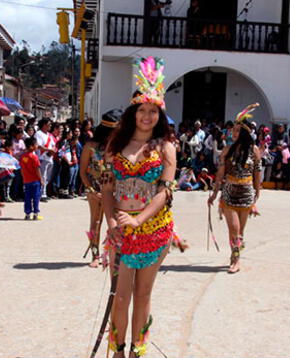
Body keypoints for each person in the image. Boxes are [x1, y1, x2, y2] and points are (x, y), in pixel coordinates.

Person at [102, 57, 179, 357]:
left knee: (142, 294)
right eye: (142, 110)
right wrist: (111, 222)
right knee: (120, 297)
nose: (147, 117)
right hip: (120, 230)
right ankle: (118, 350)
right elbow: (107, 189)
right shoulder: (114, 146)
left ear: (160, 115)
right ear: (133, 113)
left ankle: (139, 350)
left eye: (153, 111)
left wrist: (140, 220)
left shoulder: (165, 148)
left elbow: (165, 192)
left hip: (155, 230)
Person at [208, 103, 262, 274]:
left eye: (238, 131)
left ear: (245, 133)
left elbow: (257, 172)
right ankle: (235, 259)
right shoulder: (227, 150)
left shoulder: (254, 150)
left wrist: (257, 192)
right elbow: (220, 174)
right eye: (233, 130)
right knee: (234, 228)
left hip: (246, 193)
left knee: (240, 231)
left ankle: (235, 254)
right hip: (229, 193)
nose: (234, 133)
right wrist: (215, 193)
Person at [79, 110, 120, 268]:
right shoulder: (90, 146)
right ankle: (95, 255)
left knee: (115, 223)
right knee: (96, 222)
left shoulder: (119, 146)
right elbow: (83, 172)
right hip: (95, 190)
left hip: (116, 190)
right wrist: (91, 190)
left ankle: (112, 253)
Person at [20, 137, 43, 220]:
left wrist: (24, 178)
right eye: (36, 144)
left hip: (27, 180)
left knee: (27, 197)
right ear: (31, 146)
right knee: (36, 197)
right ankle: (36, 213)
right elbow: (37, 169)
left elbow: (22, 169)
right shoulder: (34, 157)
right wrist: (41, 179)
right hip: (35, 181)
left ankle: (27, 213)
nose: (37, 146)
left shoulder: (23, 157)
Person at [35, 118, 56, 201]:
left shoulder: (49, 135)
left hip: (49, 157)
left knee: (47, 177)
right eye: (49, 124)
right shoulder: (38, 134)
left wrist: (52, 151)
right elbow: (38, 146)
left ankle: (44, 192)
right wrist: (48, 150)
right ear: (44, 125)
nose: (50, 126)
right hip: (42, 157)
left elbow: (53, 145)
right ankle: (41, 194)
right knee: (42, 176)